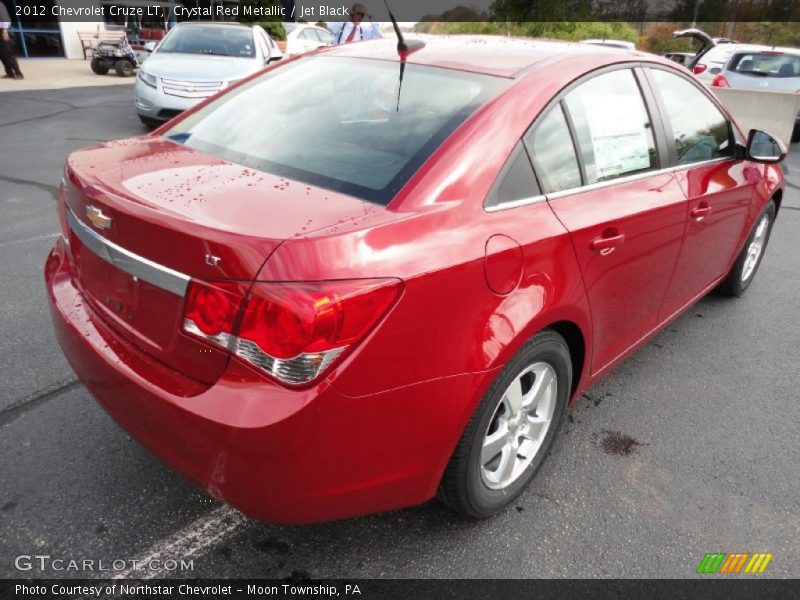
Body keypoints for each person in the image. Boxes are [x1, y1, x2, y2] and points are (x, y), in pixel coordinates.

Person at [0, 1, 23, 79]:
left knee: (8, 53)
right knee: (2, 54)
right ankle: (9, 73)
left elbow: (5, 18)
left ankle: (18, 73)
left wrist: (5, 31)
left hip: (3, 30)